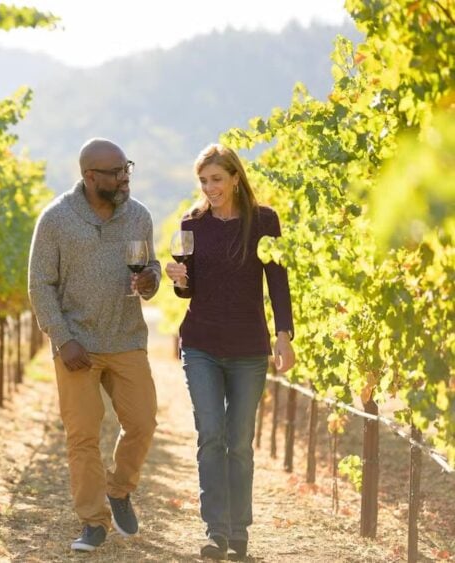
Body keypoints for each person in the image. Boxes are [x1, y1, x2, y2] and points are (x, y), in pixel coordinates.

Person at [164, 143, 296, 561]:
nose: (210, 188)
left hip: (248, 347)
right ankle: (215, 531)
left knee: (239, 441)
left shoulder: (264, 220)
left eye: (216, 179)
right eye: (203, 181)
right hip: (201, 343)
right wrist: (178, 278)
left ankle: (239, 531)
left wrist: (284, 335)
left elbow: (278, 281)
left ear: (235, 177)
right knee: (211, 436)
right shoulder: (193, 223)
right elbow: (189, 290)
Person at [28, 138, 160, 552]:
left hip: (125, 339)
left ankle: (119, 490)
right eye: (116, 172)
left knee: (142, 423)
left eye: (127, 169)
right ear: (89, 177)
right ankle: (93, 521)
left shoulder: (138, 216)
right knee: (83, 436)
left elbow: (150, 267)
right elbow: (39, 285)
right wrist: (62, 338)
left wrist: (152, 279)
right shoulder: (56, 219)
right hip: (77, 346)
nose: (125, 178)